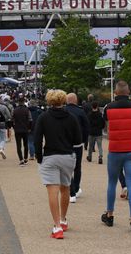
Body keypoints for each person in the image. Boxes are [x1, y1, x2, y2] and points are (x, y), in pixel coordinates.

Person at [34, 89, 82, 239]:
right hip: (67, 155)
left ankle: (57, 226)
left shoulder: (43, 117)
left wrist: (39, 157)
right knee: (65, 187)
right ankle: (63, 219)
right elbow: (78, 140)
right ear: (64, 101)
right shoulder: (72, 117)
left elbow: (37, 139)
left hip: (50, 156)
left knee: (52, 191)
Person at [101, 80, 131, 233]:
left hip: (115, 149)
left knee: (112, 182)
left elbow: (104, 124)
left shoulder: (108, 107)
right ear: (128, 92)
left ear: (115, 93)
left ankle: (110, 215)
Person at [64, 93, 89, 203]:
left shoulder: (63, 111)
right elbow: (87, 127)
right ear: (76, 100)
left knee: (67, 167)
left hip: (65, 143)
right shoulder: (81, 111)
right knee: (77, 167)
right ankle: (77, 187)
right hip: (78, 143)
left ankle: (71, 189)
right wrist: (84, 140)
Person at [12, 97, 32, 166]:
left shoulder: (15, 110)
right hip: (25, 129)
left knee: (18, 145)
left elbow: (12, 120)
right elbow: (30, 119)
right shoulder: (27, 110)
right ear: (24, 102)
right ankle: (26, 158)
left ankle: (21, 159)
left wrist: (14, 127)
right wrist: (29, 128)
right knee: (25, 144)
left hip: (17, 129)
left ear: (18, 102)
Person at [86, 99, 105, 164]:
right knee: (99, 146)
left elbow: (87, 123)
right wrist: (101, 128)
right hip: (98, 132)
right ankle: (100, 156)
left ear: (92, 106)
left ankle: (90, 156)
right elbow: (103, 123)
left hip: (91, 132)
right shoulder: (100, 114)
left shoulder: (89, 115)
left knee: (90, 146)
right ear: (97, 106)